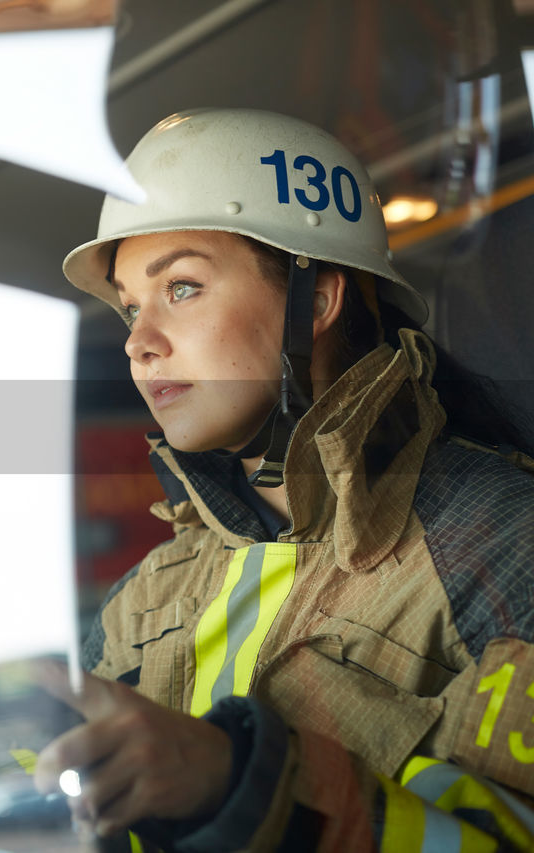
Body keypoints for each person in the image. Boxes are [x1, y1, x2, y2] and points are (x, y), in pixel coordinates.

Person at [34, 107, 534, 851]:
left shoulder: (501, 546)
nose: (139, 342)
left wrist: (240, 783)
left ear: (319, 301)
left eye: (182, 289)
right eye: (132, 306)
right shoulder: (143, 602)